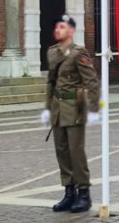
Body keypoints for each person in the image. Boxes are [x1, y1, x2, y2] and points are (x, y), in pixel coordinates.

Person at [40, 16, 99, 214]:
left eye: (62, 27)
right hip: (58, 108)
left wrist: (93, 109)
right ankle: (69, 191)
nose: (57, 30)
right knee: (62, 151)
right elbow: (51, 82)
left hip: (75, 107)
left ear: (71, 31)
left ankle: (84, 193)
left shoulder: (78, 53)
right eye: (56, 27)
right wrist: (47, 108)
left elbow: (91, 82)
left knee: (76, 151)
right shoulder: (51, 52)